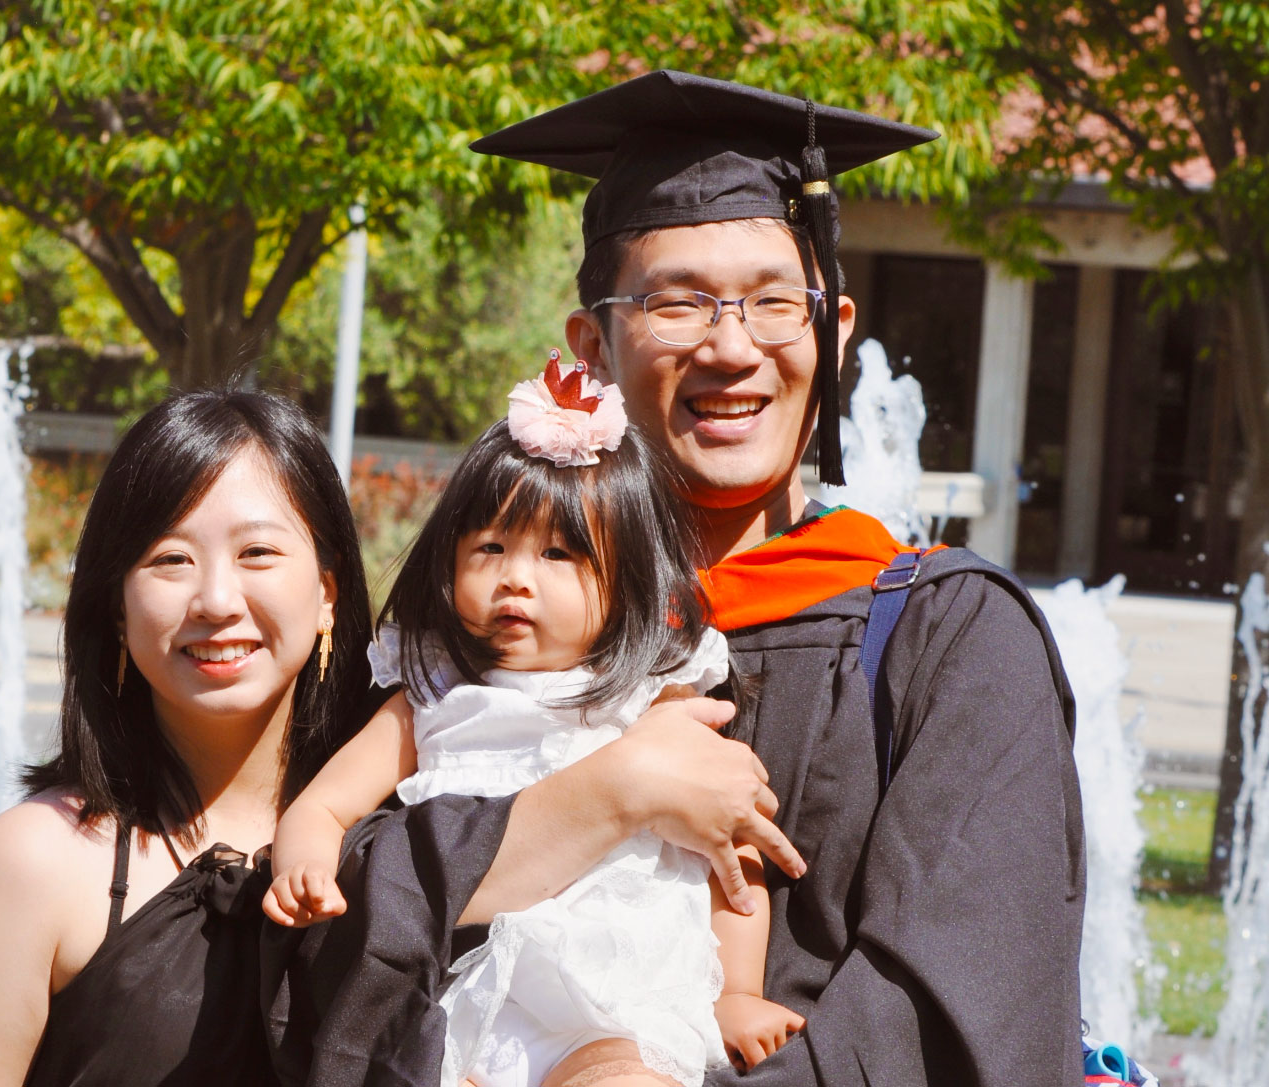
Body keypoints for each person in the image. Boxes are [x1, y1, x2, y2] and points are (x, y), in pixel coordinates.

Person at [268, 71, 1084, 1087]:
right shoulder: (489, 634)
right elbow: (328, 916)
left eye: (771, 304)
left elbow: (951, 1005)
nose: (732, 347)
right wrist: (603, 796)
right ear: (589, 348)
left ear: (828, 335)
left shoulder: (949, 635)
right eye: (677, 302)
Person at [266, 355, 804, 1087]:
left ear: (626, 583)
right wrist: (303, 860)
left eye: (558, 553)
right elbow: (326, 803)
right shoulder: (430, 693)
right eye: (489, 547)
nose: (516, 575)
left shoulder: (651, 698)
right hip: (461, 995)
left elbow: (732, 844)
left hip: (614, 998)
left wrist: (736, 988)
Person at [0, 391, 377, 1086]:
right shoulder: (32, 864)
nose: (215, 599)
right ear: (118, 611)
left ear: (328, 593)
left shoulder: (403, 833)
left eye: (257, 551)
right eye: (170, 558)